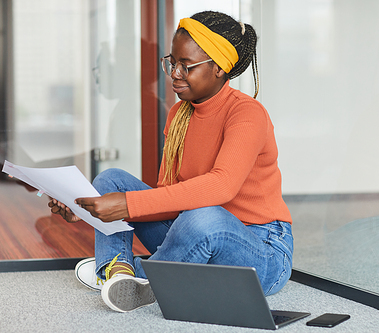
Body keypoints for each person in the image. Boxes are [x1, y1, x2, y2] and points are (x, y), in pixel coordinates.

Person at [49, 10, 293, 313]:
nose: (175, 73)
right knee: (110, 180)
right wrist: (88, 210)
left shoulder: (246, 113)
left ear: (218, 68)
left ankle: (134, 274)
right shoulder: (179, 116)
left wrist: (127, 205)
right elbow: (169, 199)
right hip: (192, 234)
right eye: (172, 62)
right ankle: (123, 274)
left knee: (203, 216)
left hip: (260, 251)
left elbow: (222, 186)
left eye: (186, 66)